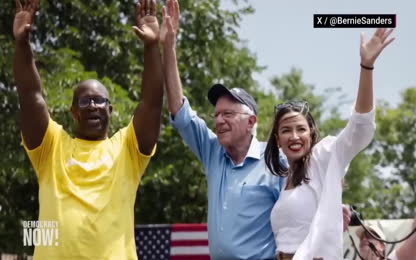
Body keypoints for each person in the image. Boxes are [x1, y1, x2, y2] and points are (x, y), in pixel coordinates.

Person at [13, 0, 163, 258]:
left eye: (100, 101)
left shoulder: (128, 149)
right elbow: (30, 95)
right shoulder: (51, 147)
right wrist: (21, 44)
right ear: (73, 112)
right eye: (85, 101)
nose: (93, 105)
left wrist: (151, 47)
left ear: (110, 109)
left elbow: (151, 103)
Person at [161, 1, 284, 259]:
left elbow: (295, 219)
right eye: (216, 114)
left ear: (251, 122)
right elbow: (180, 113)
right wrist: (168, 47)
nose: (219, 121)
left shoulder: (275, 161)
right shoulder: (213, 152)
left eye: (228, 114)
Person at [264, 28, 395, 260]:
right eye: (286, 130)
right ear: (277, 139)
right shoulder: (281, 179)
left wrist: (366, 67)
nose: (294, 136)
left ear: (311, 135)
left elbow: (360, 127)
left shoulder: (323, 157)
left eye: (301, 129)